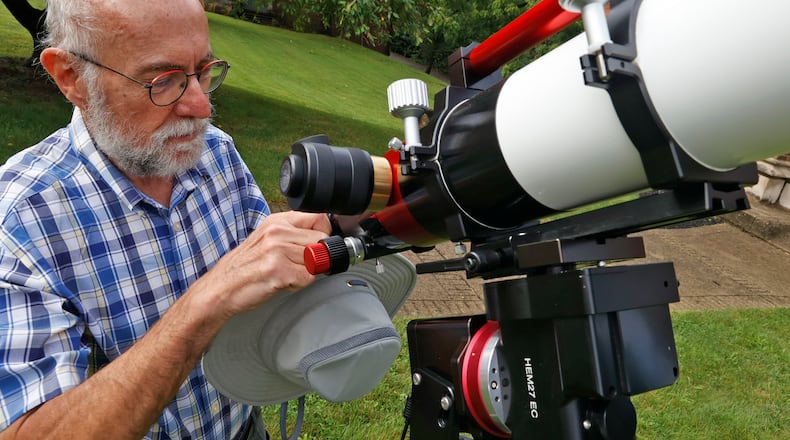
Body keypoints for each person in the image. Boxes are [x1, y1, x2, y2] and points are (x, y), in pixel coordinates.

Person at [0, 0, 332, 438]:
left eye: (204, 70)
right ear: (71, 77)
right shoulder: (21, 219)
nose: (199, 106)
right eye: (164, 80)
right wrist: (205, 303)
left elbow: (265, 281)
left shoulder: (214, 151)